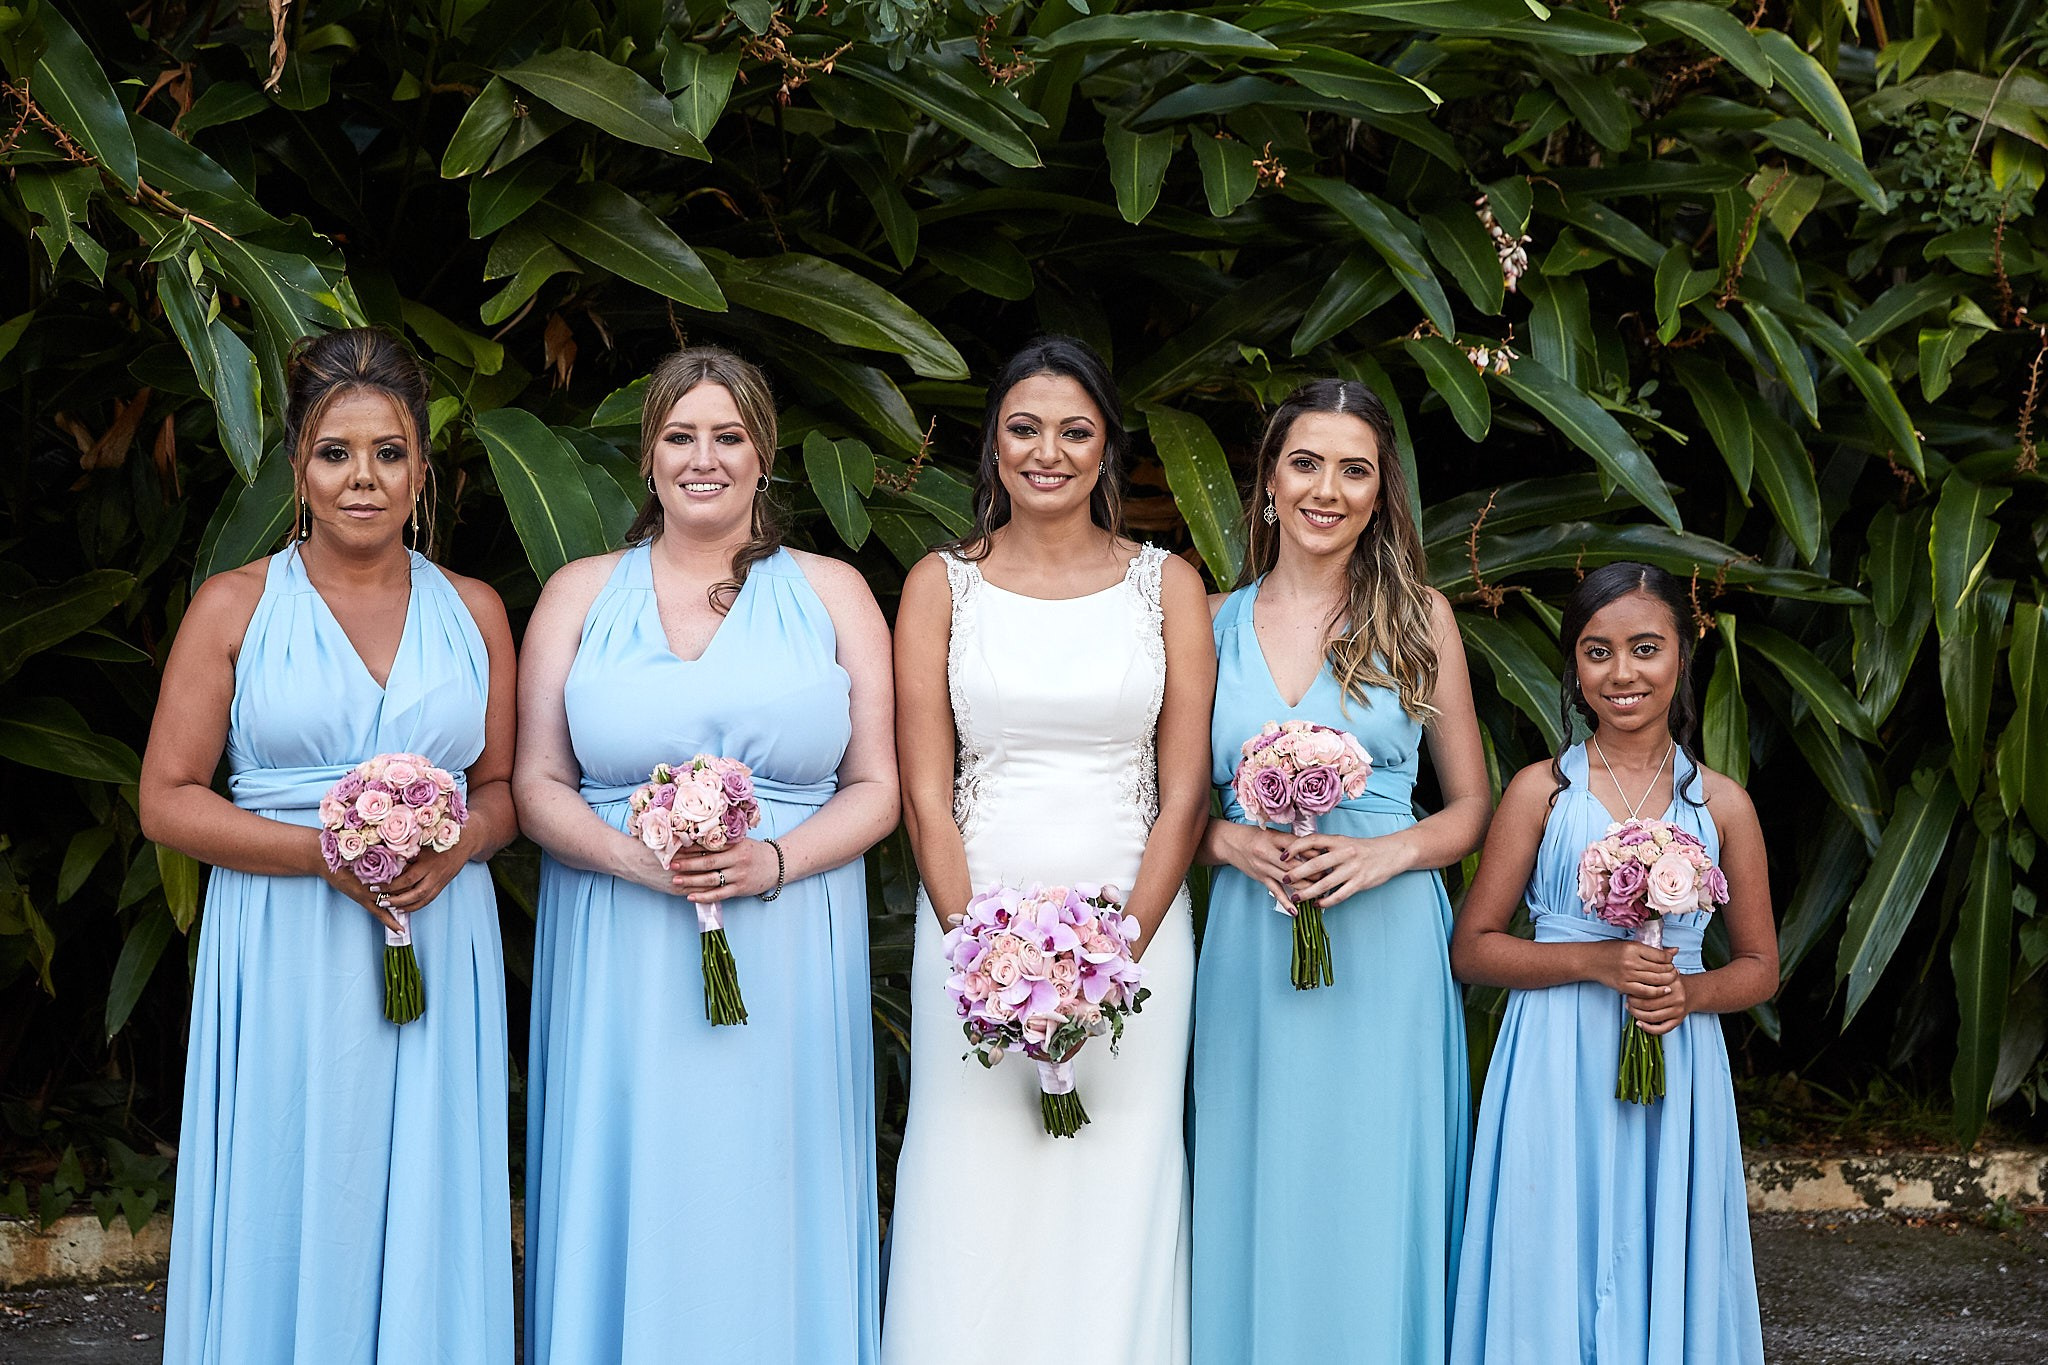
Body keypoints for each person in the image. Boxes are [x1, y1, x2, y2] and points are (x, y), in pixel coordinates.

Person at [142, 328, 518, 1364]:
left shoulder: (476, 613)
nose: (364, 479)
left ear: (423, 471)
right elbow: (167, 801)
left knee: (426, 1182)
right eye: (336, 453)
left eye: (389, 453)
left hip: (439, 937)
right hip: (285, 941)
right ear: (298, 468)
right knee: (290, 1166)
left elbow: (503, 795)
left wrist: (457, 846)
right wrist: (322, 853)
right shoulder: (235, 607)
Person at [515, 346, 897, 1364]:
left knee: (764, 1178)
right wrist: (625, 857)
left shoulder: (834, 592)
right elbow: (534, 784)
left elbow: (878, 789)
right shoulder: (577, 593)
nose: (704, 458)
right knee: (637, 1173)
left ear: (763, 453)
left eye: (728, 436)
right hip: (617, 939)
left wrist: (775, 861)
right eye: (680, 435)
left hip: (786, 937)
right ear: (647, 455)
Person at [882, 335, 1214, 1365]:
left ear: (1107, 446)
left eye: (1074, 432)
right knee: (971, 1187)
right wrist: (983, 958)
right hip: (972, 939)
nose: (1048, 453)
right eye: (1023, 429)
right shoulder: (939, 585)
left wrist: (1111, 956)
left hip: (1135, 934)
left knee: (1114, 1189)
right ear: (990, 445)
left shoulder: (1169, 587)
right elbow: (926, 801)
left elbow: (1184, 792)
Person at [1191, 378, 1490, 1363]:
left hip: (1384, 946)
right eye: (1305, 463)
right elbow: (1161, 801)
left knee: (1370, 1183)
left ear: (1379, 493)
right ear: (1268, 484)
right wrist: (1222, 840)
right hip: (1248, 940)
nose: (1327, 488)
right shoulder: (1204, 619)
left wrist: (1383, 852)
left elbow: (1469, 810)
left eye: (1352, 469)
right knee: (1259, 1174)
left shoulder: (1418, 622)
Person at [1448, 561, 1774, 1364]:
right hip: (1554, 1058)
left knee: (1654, 1235)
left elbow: (1762, 965)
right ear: (1574, 667)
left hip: (1675, 1050)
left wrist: (1687, 993)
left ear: (1683, 653)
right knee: (1552, 1231)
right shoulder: (1540, 793)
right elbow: (1472, 947)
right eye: (1597, 652)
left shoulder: (1722, 805)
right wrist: (1596, 960)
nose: (1622, 672)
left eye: (1645, 648)